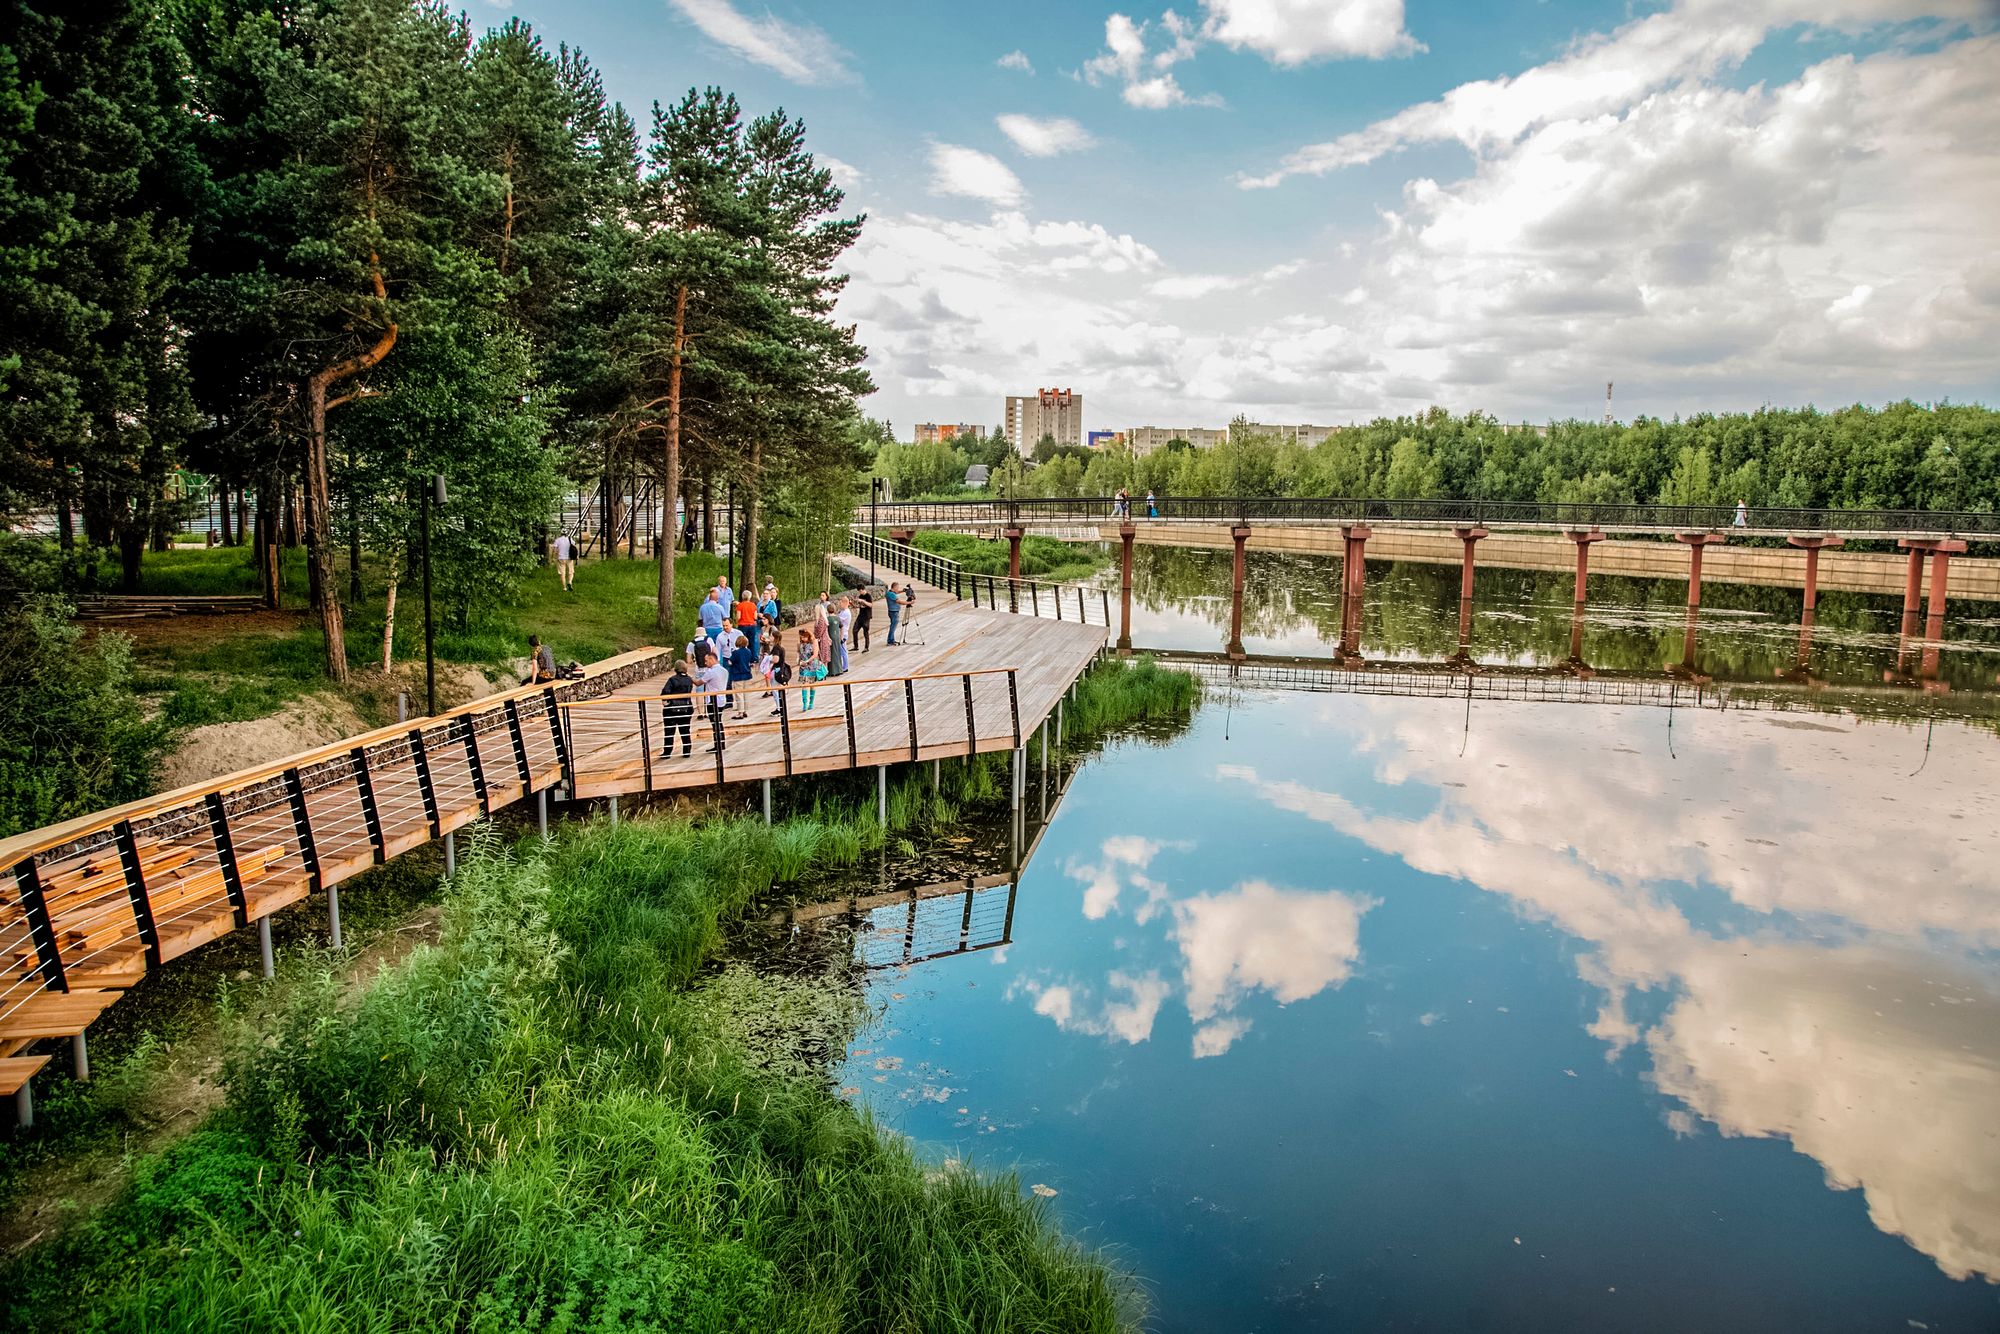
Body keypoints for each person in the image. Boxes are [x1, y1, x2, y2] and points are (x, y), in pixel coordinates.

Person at [658, 660, 695, 758]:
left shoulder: (672, 680)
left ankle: (667, 752)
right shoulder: (689, 679)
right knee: (685, 730)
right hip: (686, 707)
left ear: (676, 669)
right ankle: (687, 751)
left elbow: (665, 693)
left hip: (672, 709)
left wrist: (666, 702)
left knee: (669, 731)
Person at [698, 650, 730, 751]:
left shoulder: (711, 672)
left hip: (713, 701)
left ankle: (718, 745)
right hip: (721, 699)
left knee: (715, 723)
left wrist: (690, 679)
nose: (705, 663)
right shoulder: (724, 670)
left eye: (706, 661)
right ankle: (721, 744)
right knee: (718, 722)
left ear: (712, 659)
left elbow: (699, 682)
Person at [726, 631, 754, 720]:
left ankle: (740, 712)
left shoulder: (736, 653)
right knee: (745, 693)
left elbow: (730, 662)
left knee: (739, 694)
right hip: (747, 674)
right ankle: (745, 710)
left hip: (738, 675)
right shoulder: (748, 651)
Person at [796, 628, 823, 711]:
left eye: (804, 637)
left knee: (812, 684)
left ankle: (811, 702)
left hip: (811, 665)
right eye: (801, 637)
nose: (803, 639)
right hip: (803, 665)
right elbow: (798, 652)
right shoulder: (799, 643)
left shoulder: (814, 642)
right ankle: (804, 703)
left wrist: (807, 661)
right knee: (804, 683)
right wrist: (797, 659)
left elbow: (815, 654)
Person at [735, 588, 759, 659]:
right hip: (751, 625)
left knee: (742, 642)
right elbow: (755, 617)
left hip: (742, 625)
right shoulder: (753, 605)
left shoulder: (740, 605)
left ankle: (743, 657)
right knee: (752, 642)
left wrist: (736, 622)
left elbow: (738, 617)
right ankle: (753, 657)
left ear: (743, 597)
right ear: (750, 597)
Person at [812, 600, 834, 677]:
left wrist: (814, 637)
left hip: (822, 641)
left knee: (822, 658)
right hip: (824, 639)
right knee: (823, 658)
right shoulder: (823, 619)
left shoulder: (821, 620)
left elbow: (818, 632)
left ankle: (823, 674)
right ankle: (823, 674)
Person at [832, 597, 853, 675]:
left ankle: (845, 667)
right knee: (842, 650)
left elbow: (838, 620)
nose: (839, 605)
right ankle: (843, 666)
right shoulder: (843, 611)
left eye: (840, 603)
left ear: (845, 603)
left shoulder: (846, 613)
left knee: (843, 651)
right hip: (842, 633)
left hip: (843, 634)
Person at [852, 589, 874, 653]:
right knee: (854, 630)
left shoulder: (868, 596)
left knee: (865, 632)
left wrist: (863, 601)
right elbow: (859, 606)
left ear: (863, 589)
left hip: (866, 616)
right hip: (860, 616)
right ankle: (856, 646)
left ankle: (866, 647)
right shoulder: (860, 596)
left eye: (860, 591)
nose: (859, 592)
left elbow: (870, 605)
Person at [885, 581, 903, 645]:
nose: (898, 589)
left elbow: (896, 592)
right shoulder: (891, 594)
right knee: (893, 627)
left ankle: (892, 640)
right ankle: (890, 641)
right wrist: (909, 603)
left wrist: (903, 591)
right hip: (894, 612)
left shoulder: (890, 592)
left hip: (893, 612)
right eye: (897, 587)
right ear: (894, 587)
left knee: (893, 626)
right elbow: (899, 602)